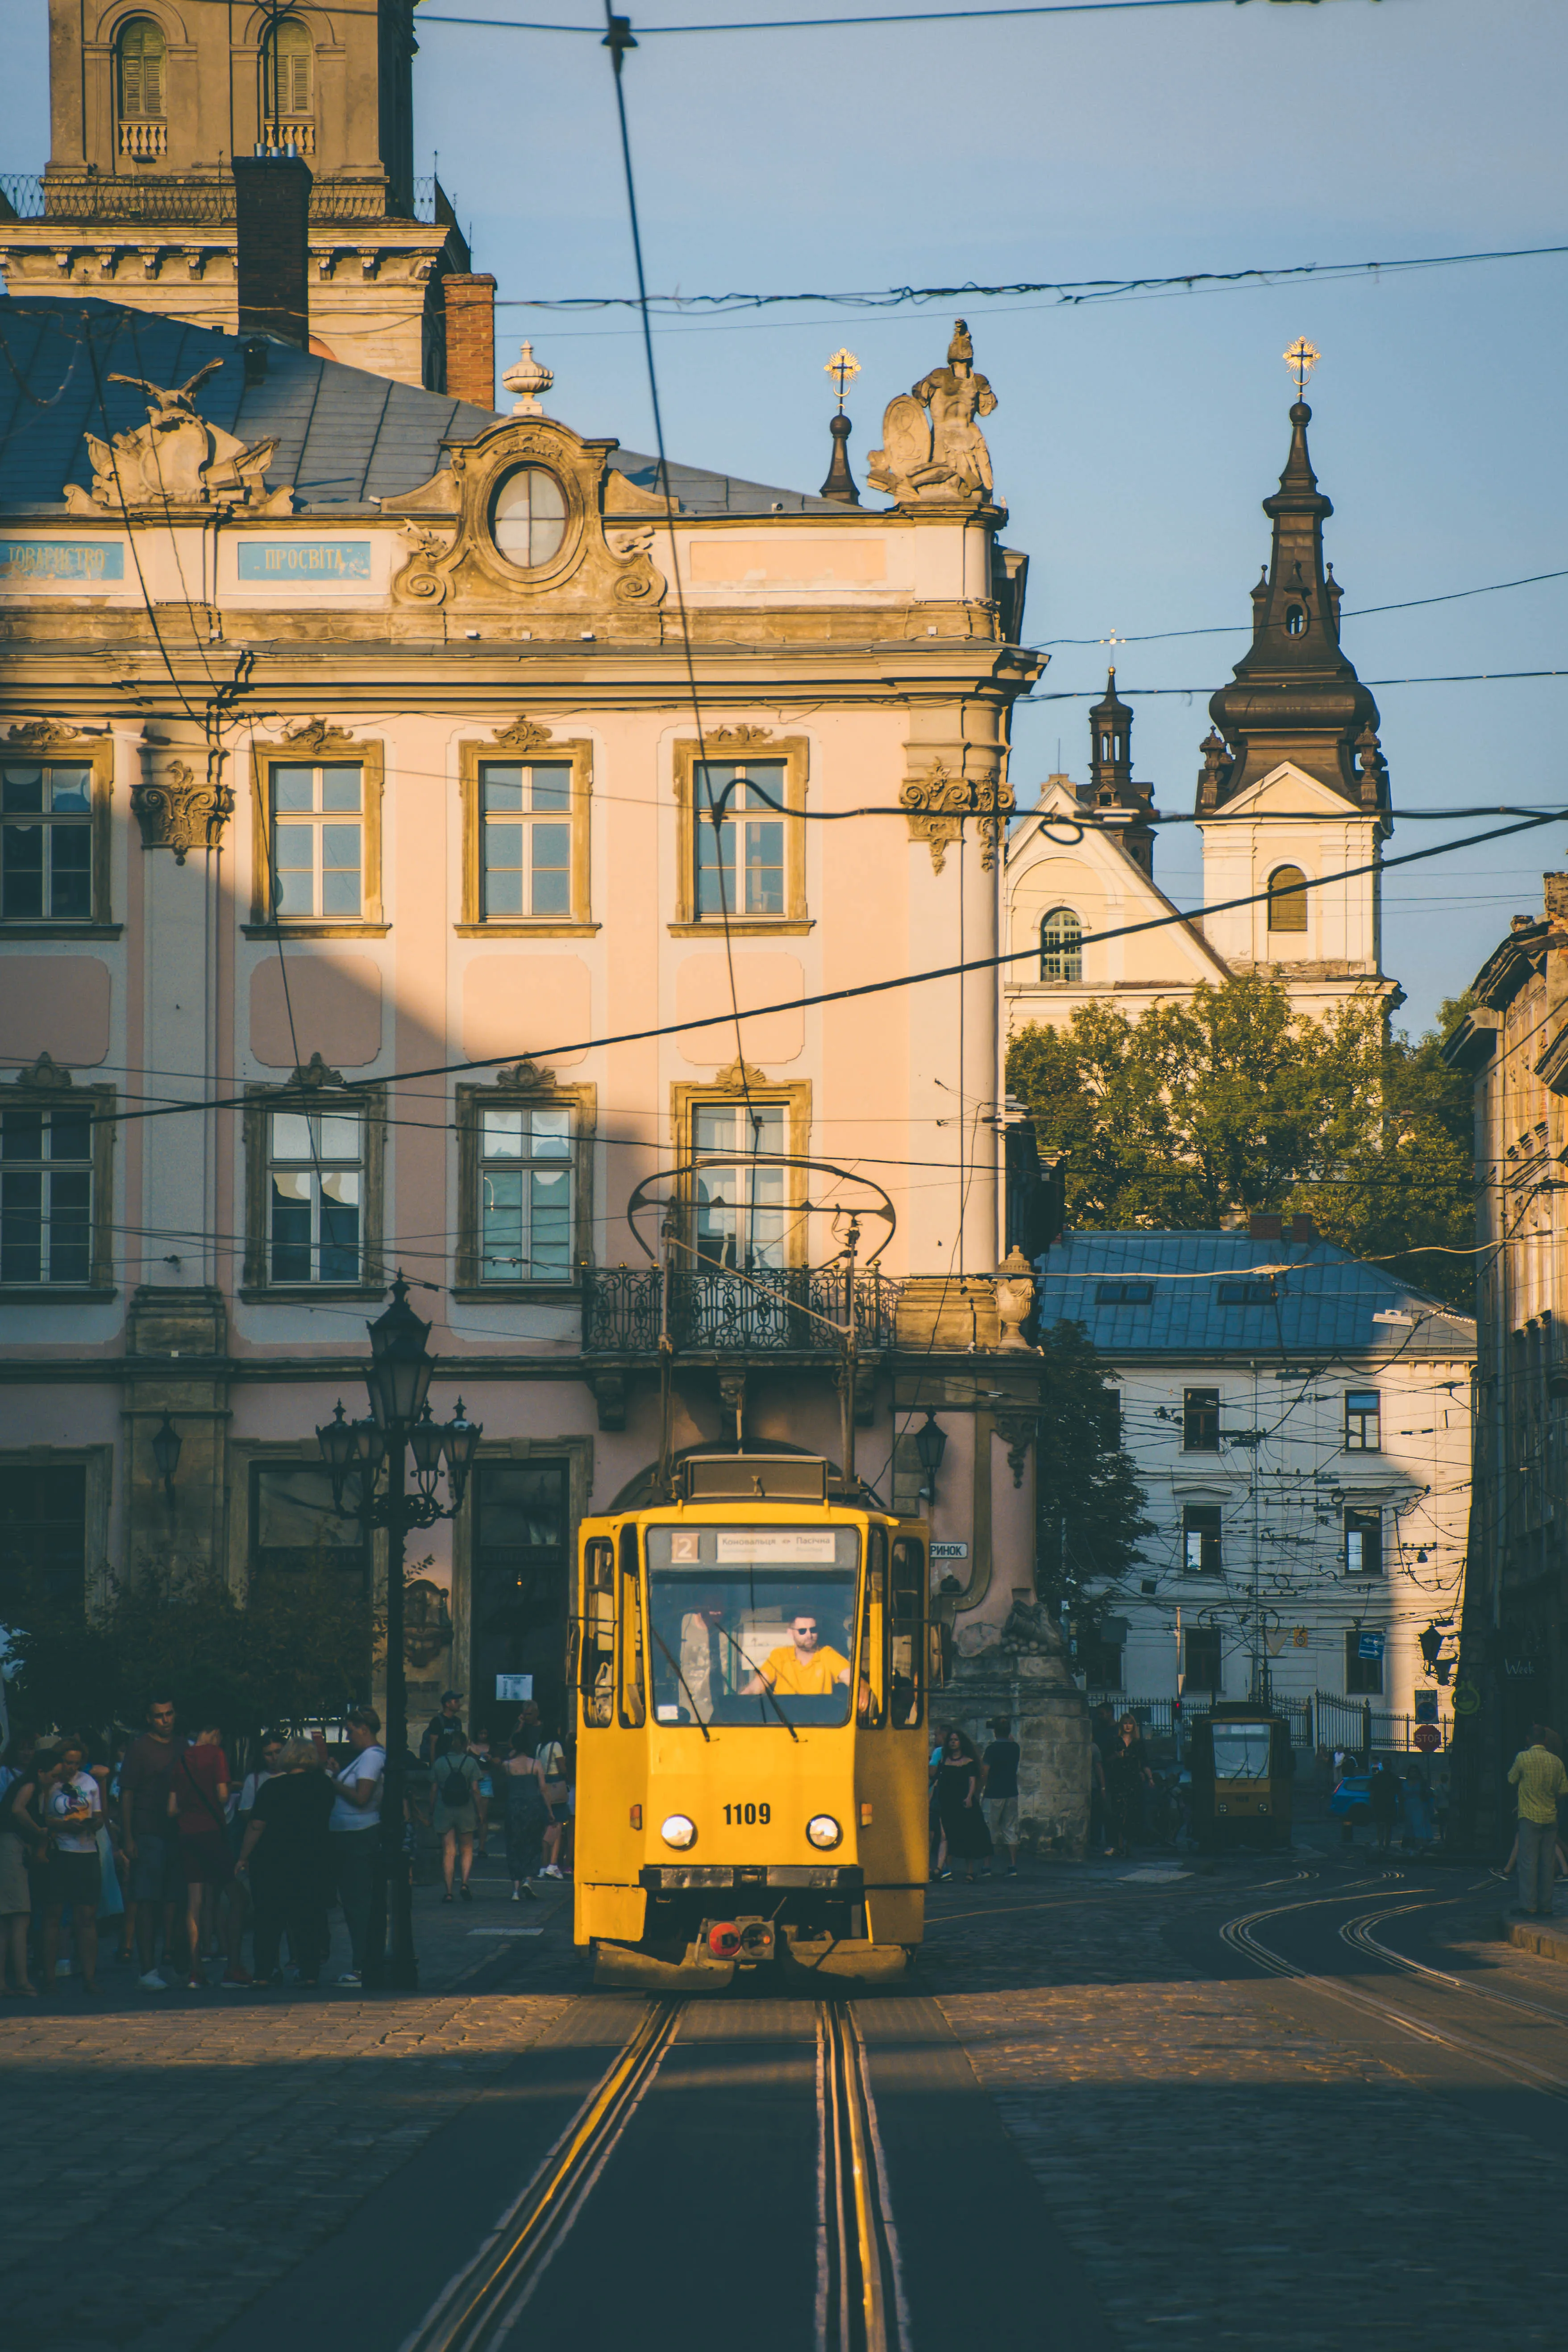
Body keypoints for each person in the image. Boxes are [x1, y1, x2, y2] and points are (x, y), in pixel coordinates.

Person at [236, 1740, 335, 1987]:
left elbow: (257, 1824)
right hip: (313, 1857)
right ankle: (309, 1971)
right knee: (308, 1917)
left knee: (269, 1918)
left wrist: (243, 1856)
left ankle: (264, 1971)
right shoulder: (323, 1785)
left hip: (273, 1859)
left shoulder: (273, 1787)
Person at [119, 1696, 187, 1990]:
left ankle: (172, 1956)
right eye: (159, 1715)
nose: (166, 1719)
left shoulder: (184, 1745)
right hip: (147, 1830)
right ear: (150, 1718)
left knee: (175, 1898)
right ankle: (147, 1969)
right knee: (146, 1900)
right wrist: (128, 1836)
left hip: (178, 1832)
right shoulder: (139, 1748)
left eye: (169, 1713)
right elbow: (127, 1792)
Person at [169, 1723, 241, 1989]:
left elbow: (172, 1808)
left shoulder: (182, 1760)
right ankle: (234, 1964)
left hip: (187, 1833)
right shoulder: (216, 1755)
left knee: (194, 1903)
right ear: (215, 1732)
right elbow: (223, 1796)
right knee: (234, 1896)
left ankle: (195, 1970)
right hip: (212, 1831)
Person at [324, 1707, 384, 1988]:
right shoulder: (367, 1757)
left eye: (350, 1731)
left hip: (357, 1834)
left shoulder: (372, 1757)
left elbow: (362, 1797)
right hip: (349, 1834)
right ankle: (365, 1962)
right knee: (355, 1902)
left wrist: (334, 1783)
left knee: (357, 1903)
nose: (348, 1737)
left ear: (363, 1728)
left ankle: (363, 1965)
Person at [40, 1736, 103, 1997]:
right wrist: (63, 1826)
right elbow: (41, 1817)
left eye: (76, 1764)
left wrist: (90, 1825)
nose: (71, 1769)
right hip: (59, 1852)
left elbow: (99, 1816)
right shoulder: (50, 1783)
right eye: (67, 1762)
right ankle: (49, 1977)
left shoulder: (88, 1783)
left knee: (86, 1918)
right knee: (53, 1916)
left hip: (85, 1852)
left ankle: (90, 1978)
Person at [0, 1742, 52, 1996]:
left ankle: (8, 1981)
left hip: (10, 1849)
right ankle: (21, 1980)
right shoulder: (30, 1785)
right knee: (19, 1917)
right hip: (12, 1850)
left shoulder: (33, 1786)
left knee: (9, 1920)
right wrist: (38, 1831)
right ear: (41, 1772)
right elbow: (17, 1810)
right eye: (52, 1775)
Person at [1507, 1723, 1568, 1920]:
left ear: (1528, 1740)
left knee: (1528, 1862)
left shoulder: (1523, 1758)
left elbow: (1511, 1779)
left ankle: (1530, 1906)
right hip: (1550, 1817)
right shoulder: (1556, 1762)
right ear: (1545, 1741)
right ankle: (1546, 1905)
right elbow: (1563, 1790)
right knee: (1547, 1863)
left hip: (1529, 1817)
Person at [744, 1612, 851, 1700]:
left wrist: (862, 1690)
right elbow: (756, 1687)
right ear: (791, 1633)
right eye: (802, 1631)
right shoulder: (780, 1656)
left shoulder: (827, 1654)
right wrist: (737, 1705)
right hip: (785, 1722)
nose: (809, 1635)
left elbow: (851, 1678)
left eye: (813, 1630)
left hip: (819, 1722)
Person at [934, 1727, 992, 1884]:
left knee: (968, 1836)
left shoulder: (969, 1762)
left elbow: (972, 1780)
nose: (953, 1743)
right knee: (945, 1835)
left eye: (956, 1740)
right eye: (951, 1740)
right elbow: (940, 1779)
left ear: (961, 1743)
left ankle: (970, 1871)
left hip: (963, 1801)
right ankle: (940, 1869)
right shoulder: (944, 1760)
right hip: (947, 1801)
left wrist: (969, 1797)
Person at [430, 1738, 482, 1902]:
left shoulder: (439, 1763)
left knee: (449, 1851)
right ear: (465, 1746)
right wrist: (480, 1812)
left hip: (444, 1808)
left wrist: (430, 1810)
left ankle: (448, 1891)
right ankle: (465, 1883)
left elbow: (434, 1789)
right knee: (467, 1849)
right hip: (465, 1809)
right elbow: (475, 1789)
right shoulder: (470, 1762)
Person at [503, 1732, 548, 1902]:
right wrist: (549, 1811)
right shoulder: (535, 1764)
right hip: (533, 1807)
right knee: (533, 1844)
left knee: (514, 1846)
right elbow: (543, 1788)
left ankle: (515, 1890)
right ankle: (528, 1880)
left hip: (513, 1807)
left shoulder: (507, 1766)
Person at [1106, 1715, 1153, 1856]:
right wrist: (1117, 1756)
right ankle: (1120, 1845)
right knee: (1119, 1813)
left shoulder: (1138, 1743)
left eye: (1130, 1724)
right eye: (1125, 1724)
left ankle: (1129, 1845)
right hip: (1118, 1781)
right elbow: (1106, 1760)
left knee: (1133, 1815)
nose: (1128, 1726)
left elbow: (1144, 1762)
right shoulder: (1115, 1741)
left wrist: (1150, 1778)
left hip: (1133, 1782)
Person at [981, 1717, 1021, 1878]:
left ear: (996, 1732)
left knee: (989, 1830)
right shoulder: (1016, 1748)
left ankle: (987, 1866)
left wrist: (981, 1789)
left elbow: (985, 1771)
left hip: (994, 1793)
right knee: (1010, 1829)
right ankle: (1013, 1866)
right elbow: (1010, 1741)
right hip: (1011, 1791)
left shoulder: (992, 1749)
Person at [535, 1726, 569, 1880]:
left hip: (543, 1784)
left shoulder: (539, 1747)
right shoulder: (557, 1746)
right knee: (558, 1826)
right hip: (556, 1784)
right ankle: (553, 1864)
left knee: (546, 1826)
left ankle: (543, 1864)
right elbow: (562, 1769)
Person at [420, 1693, 466, 1766]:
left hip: (454, 1761)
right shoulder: (437, 1721)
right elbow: (433, 1744)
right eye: (456, 1702)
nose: (459, 1704)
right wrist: (433, 1765)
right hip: (441, 1762)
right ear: (448, 1704)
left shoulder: (457, 1721)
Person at [1368, 1757, 1401, 1853]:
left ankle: (1387, 1844)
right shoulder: (1378, 1777)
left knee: (1389, 1826)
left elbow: (1399, 1793)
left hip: (1390, 1804)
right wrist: (1372, 1804)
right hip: (1380, 1804)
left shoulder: (1394, 1778)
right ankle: (1381, 1844)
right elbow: (1372, 1792)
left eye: (1388, 1765)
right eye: (1386, 1765)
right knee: (1381, 1826)